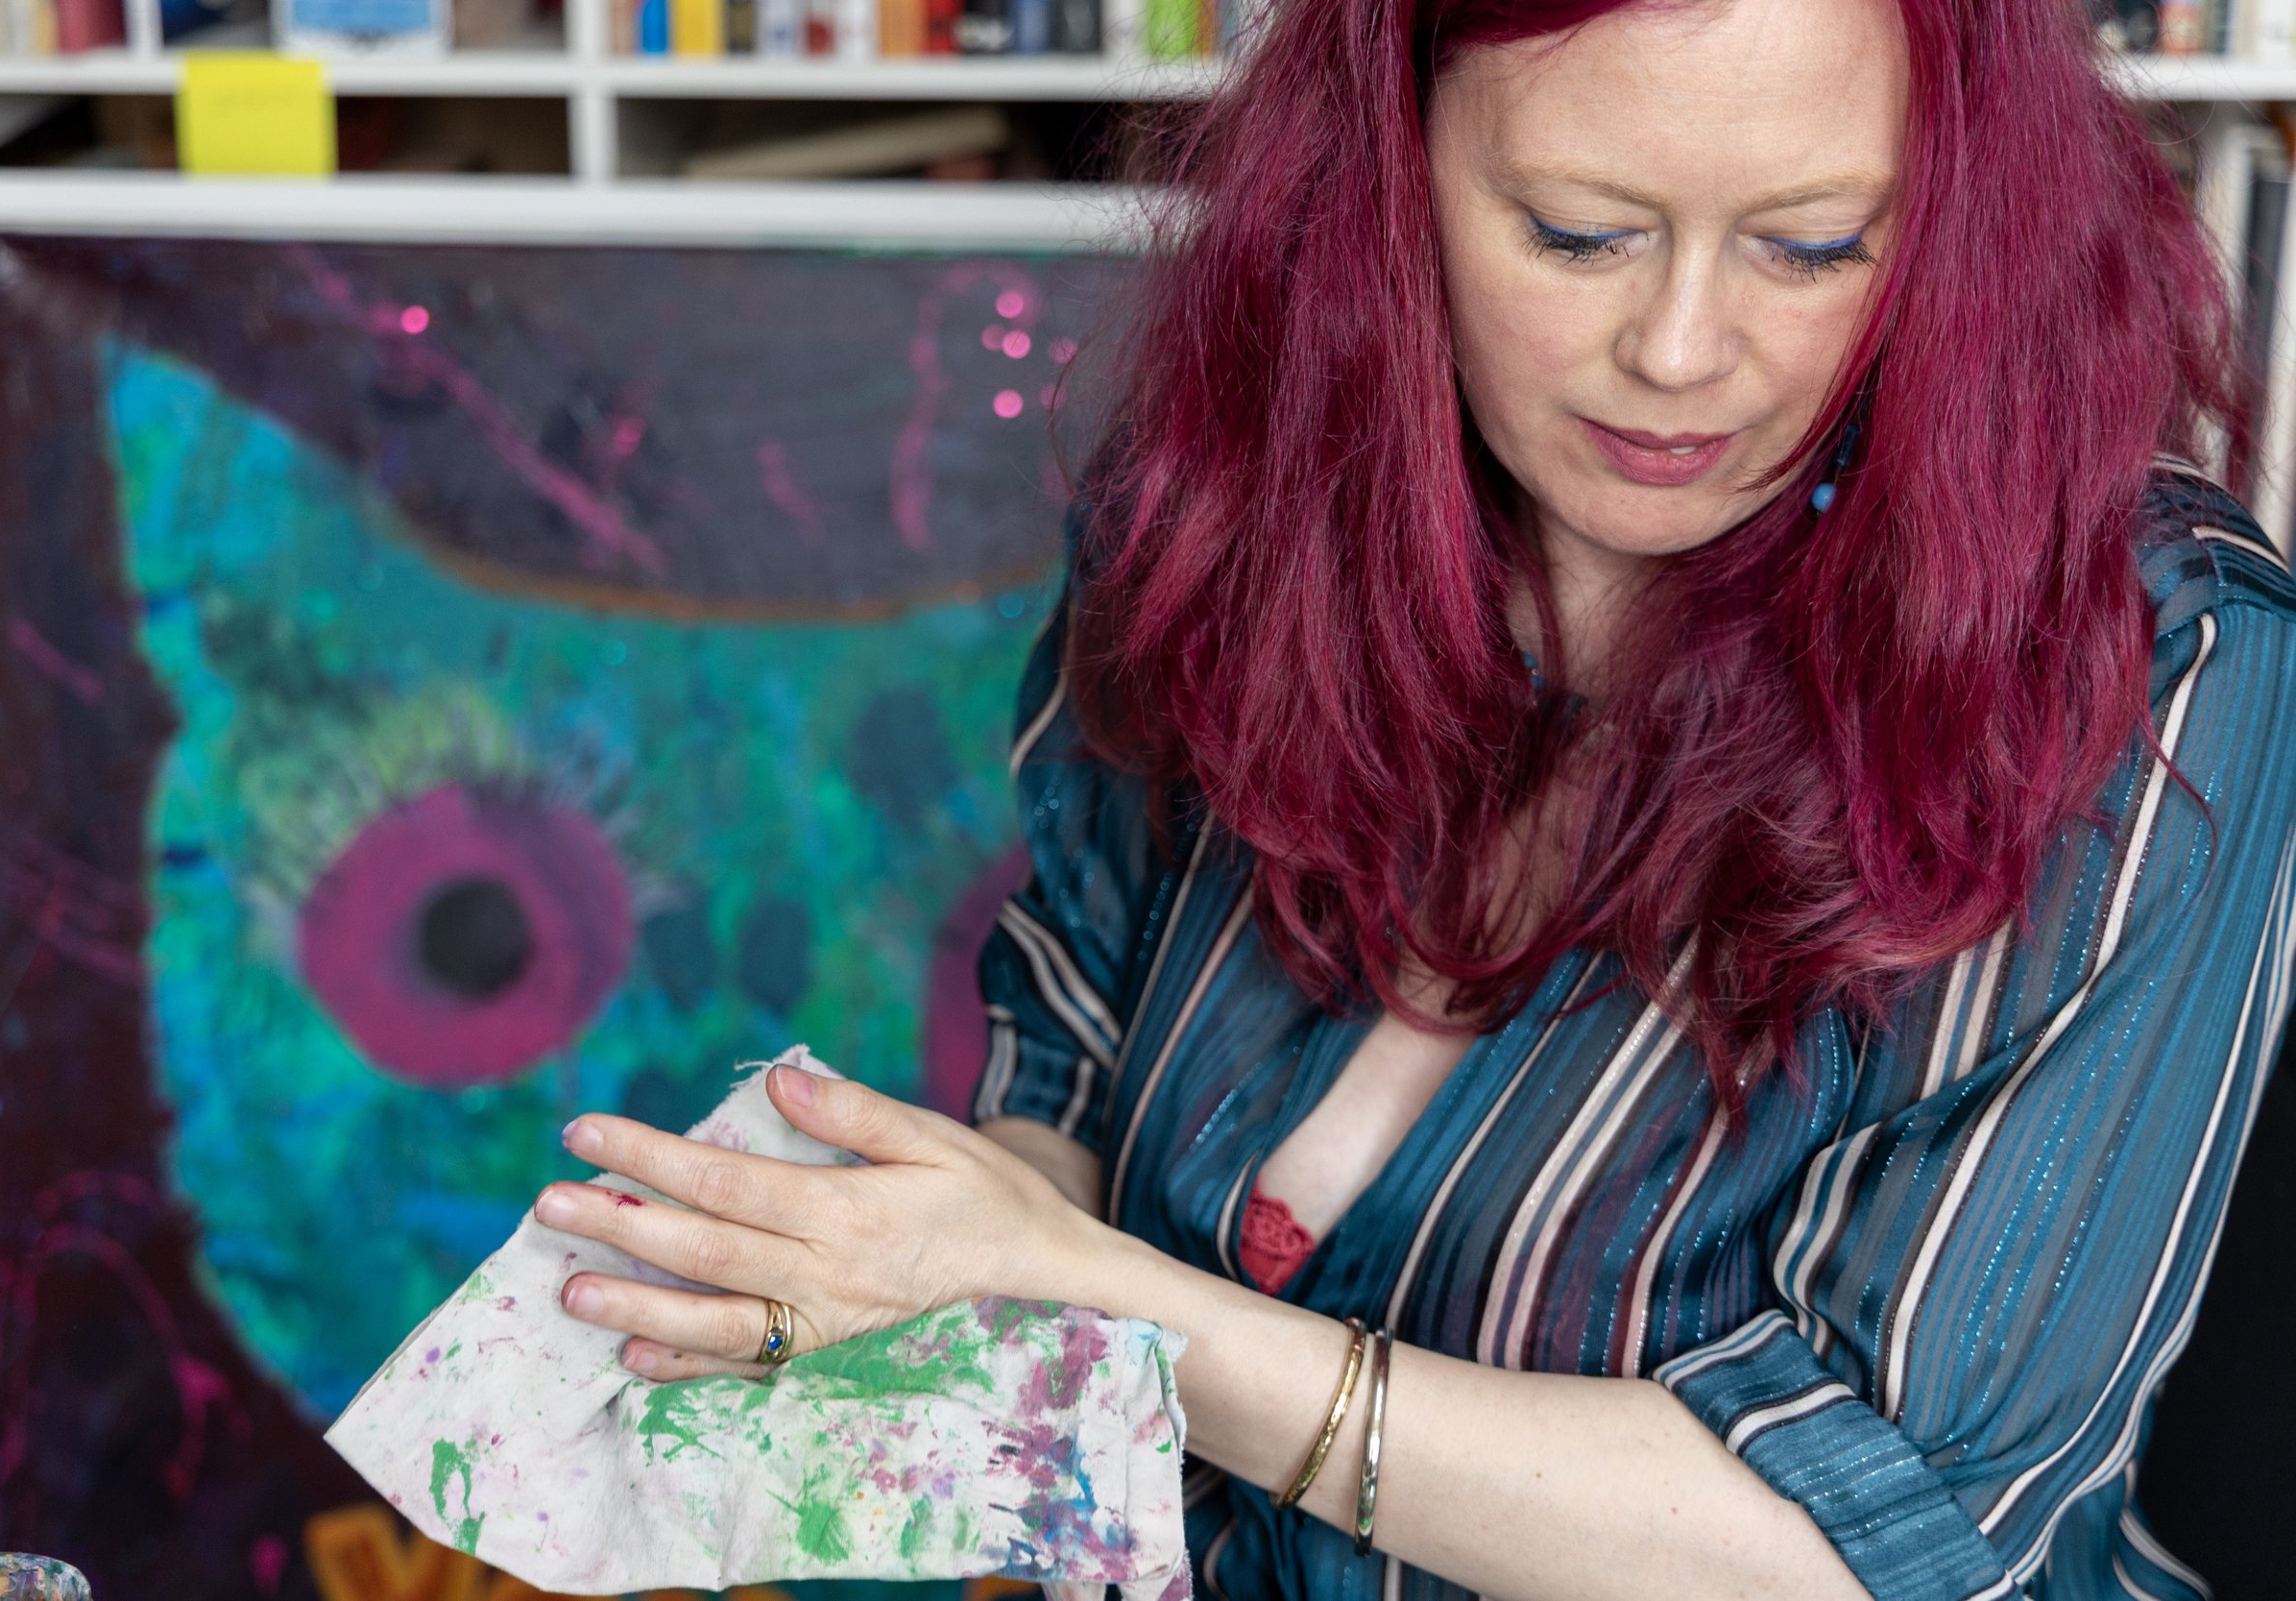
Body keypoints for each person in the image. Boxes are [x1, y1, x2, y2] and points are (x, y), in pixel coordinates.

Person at [527, 0, 2296, 1596]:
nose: (1684, 353)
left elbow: (1868, 1534)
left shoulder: (2149, 665)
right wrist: (888, 1268)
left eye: (1815, 245)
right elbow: (1067, 1039)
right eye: (1578, 234)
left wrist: (1086, 1300)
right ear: (1386, 171)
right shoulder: (1224, 508)